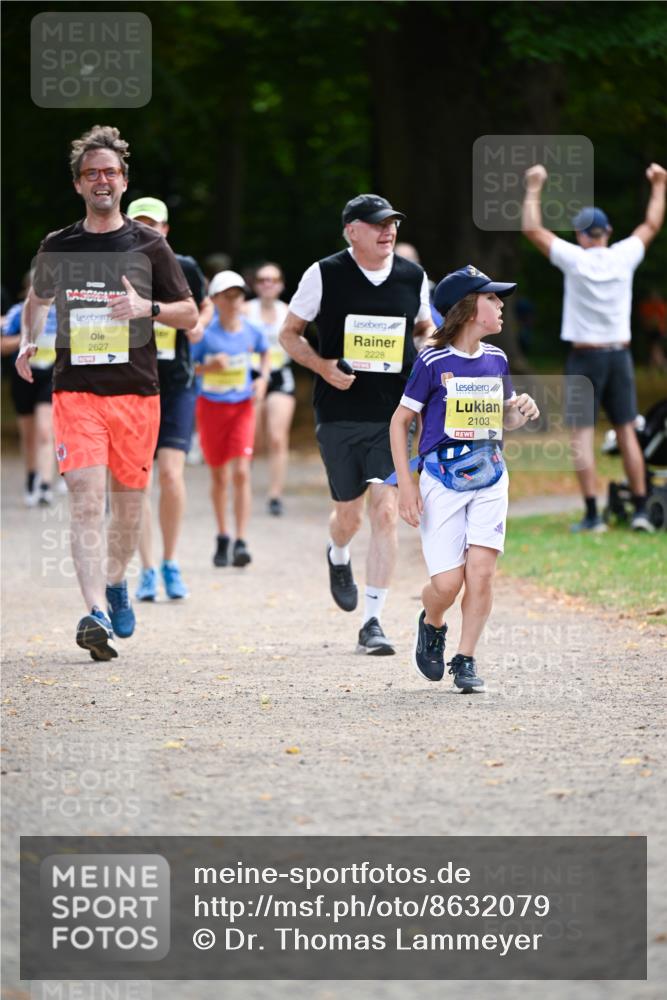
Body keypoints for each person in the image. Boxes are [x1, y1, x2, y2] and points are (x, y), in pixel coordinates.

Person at [16, 125, 198, 661]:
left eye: (110, 172)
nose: (102, 180)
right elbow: (37, 298)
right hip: (77, 391)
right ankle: (95, 610)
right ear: (78, 184)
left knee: (127, 507)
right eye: (91, 172)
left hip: (138, 395)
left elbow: (188, 314)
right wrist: (29, 340)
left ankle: (117, 580)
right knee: (86, 501)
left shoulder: (150, 245)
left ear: (123, 181)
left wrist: (149, 309)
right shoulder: (60, 244)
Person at [280, 193, 434, 655]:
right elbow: (288, 334)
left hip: (393, 411)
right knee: (348, 515)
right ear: (352, 230)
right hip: (340, 411)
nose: (388, 231)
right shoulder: (324, 273)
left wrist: (427, 361)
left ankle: (372, 622)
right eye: (377, 224)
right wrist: (323, 367)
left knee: (384, 512)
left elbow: (424, 328)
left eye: (392, 224)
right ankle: (338, 552)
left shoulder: (412, 276)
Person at [390, 265, 539, 687]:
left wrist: (519, 411)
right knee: (447, 583)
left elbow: (503, 419)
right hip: (441, 478)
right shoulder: (432, 361)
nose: (500, 305)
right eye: (492, 298)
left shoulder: (497, 358)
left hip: (491, 475)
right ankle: (433, 621)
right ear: (469, 308)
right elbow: (400, 422)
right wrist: (406, 485)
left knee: (482, 572)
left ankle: (466, 658)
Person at [521, 162, 667, 533]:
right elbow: (651, 225)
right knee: (627, 432)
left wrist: (535, 186)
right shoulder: (624, 256)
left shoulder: (575, 259)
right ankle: (639, 510)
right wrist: (659, 184)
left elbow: (532, 229)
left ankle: (592, 515)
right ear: (608, 232)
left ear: (580, 234)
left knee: (581, 436)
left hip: (585, 357)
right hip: (619, 355)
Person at [125, 197, 211, 602]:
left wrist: (197, 327)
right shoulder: (117, 267)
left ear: (165, 230)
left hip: (176, 382)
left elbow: (203, 306)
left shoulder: (185, 266)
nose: (146, 233)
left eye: (153, 226)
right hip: (132, 383)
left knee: (172, 475)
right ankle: (146, 569)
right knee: (137, 480)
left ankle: (171, 561)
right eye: (139, 225)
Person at [191, 270, 270, 568]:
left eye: (238, 294)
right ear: (215, 300)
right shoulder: (205, 334)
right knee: (219, 475)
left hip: (242, 408)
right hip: (211, 408)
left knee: (241, 472)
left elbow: (264, 354)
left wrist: (262, 380)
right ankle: (222, 535)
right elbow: (189, 367)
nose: (235, 301)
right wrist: (207, 368)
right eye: (228, 296)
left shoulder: (252, 330)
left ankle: (241, 540)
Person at [2, 278, 58, 506]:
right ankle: (32, 476)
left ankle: (45, 485)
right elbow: (2, 345)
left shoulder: (63, 314)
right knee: (29, 435)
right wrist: (25, 340)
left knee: (45, 431)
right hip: (23, 378)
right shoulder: (18, 312)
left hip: (51, 377)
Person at [244, 262, 294, 515]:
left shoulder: (289, 311)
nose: (267, 284)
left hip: (279, 375)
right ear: (255, 285)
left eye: (272, 280)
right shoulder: (245, 311)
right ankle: (244, 487)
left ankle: (275, 495)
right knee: (252, 439)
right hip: (251, 375)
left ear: (281, 285)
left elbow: (298, 343)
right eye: (262, 280)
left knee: (277, 437)